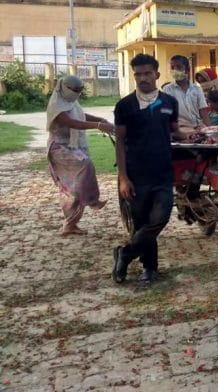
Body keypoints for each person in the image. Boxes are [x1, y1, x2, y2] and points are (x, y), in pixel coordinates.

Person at [112, 53, 188, 284]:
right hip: (136, 175)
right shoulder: (124, 106)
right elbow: (120, 145)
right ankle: (150, 268)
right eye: (138, 74)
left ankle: (124, 254)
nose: (143, 78)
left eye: (147, 73)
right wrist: (123, 177)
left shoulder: (169, 103)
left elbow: (174, 131)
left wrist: (196, 134)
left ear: (156, 74)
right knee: (142, 221)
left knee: (160, 218)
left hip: (163, 172)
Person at [46, 75, 114, 236]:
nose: (76, 93)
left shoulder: (70, 101)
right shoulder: (56, 104)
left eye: (79, 90)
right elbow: (72, 122)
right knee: (84, 166)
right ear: (63, 87)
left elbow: (80, 115)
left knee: (74, 186)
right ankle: (92, 199)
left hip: (73, 145)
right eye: (73, 90)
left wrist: (101, 119)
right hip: (60, 148)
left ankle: (70, 224)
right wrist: (98, 125)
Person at [162, 55, 210, 131]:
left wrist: (209, 130)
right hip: (180, 129)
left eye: (179, 67)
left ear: (187, 69)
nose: (175, 70)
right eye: (172, 67)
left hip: (199, 127)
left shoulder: (197, 89)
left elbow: (203, 112)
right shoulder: (167, 90)